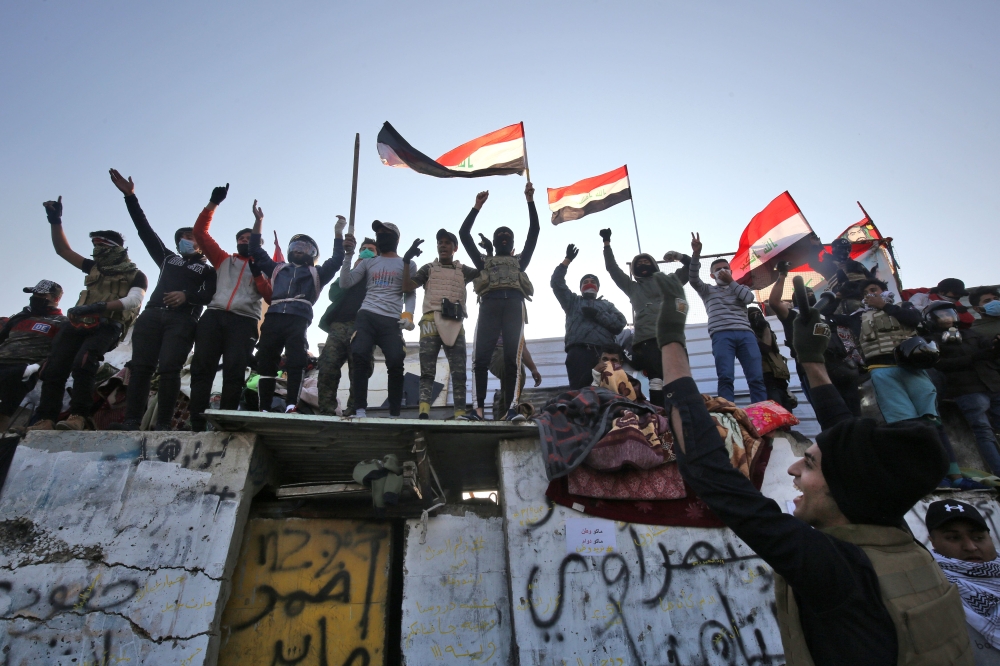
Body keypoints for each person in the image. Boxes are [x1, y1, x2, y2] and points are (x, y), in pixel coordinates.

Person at [654, 271, 971, 665]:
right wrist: (812, 362)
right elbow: (850, 445)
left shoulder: (838, 571)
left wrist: (669, 333)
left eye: (809, 463)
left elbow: (710, 471)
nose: (793, 472)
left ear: (844, 486)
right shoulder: (901, 539)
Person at [107, 169, 218, 430]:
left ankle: (163, 424)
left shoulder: (208, 269)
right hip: (151, 316)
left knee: (169, 369)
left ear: (200, 243)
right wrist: (130, 197)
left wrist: (187, 296)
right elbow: (144, 230)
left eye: (190, 237)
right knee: (141, 368)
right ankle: (132, 421)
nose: (185, 240)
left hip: (182, 321)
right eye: (181, 237)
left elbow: (210, 296)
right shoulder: (168, 259)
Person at [30, 197, 148, 431]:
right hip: (76, 323)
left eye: (101, 247)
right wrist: (55, 221)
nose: (96, 252)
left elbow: (134, 300)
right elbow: (63, 250)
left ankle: (79, 415)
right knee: (54, 369)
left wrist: (97, 307)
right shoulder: (93, 267)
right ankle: (46, 418)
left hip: (107, 325)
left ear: (114, 249)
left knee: (84, 363)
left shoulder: (136, 274)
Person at [247, 204, 345, 413]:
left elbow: (337, 260)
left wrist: (338, 232)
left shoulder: (317, 273)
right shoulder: (277, 268)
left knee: (297, 359)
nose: (300, 249)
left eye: (305, 247)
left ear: (312, 254)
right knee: (266, 360)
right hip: (273, 317)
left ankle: (292, 404)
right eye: (297, 245)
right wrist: (259, 221)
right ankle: (263, 406)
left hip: (298, 319)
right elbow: (255, 250)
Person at [187, 186, 267, 431]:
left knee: (234, 372)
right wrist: (213, 203)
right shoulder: (224, 259)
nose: (244, 242)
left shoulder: (266, 268)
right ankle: (197, 424)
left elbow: (271, 297)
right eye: (241, 239)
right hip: (214, 316)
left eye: (249, 239)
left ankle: (228, 423)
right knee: (202, 369)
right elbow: (200, 233)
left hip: (244, 322)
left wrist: (259, 222)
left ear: (256, 243)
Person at [459, 183, 539, 421]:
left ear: (512, 244)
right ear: (494, 242)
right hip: (490, 306)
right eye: (499, 235)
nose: (504, 237)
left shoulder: (520, 261)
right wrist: (476, 207)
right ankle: (478, 410)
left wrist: (530, 201)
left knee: (512, 359)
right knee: (480, 358)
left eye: (508, 236)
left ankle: (512, 408)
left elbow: (534, 231)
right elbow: (464, 234)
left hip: (513, 306)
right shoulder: (484, 261)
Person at [601, 227, 691, 406]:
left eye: (646, 261)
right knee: (656, 379)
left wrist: (680, 256)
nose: (643, 264)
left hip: (672, 336)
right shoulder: (632, 287)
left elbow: (691, 267)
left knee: (680, 377)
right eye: (639, 262)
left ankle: (684, 412)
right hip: (647, 339)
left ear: (654, 265)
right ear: (634, 268)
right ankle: (659, 414)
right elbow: (612, 268)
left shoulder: (670, 280)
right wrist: (606, 243)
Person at [339, 221, 417, 418]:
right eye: (378, 232)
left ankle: (394, 414)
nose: (381, 235)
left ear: (396, 238)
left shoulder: (407, 263)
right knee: (360, 356)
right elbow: (345, 282)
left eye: (385, 232)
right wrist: (348, 256)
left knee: (396, 361)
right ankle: (359, 410)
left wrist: (408, 315)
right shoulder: (369, 261)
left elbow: (410, 292)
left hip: (391, 319)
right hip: (367, 315)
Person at [401, 229, 478, 420]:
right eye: (440, 242)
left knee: (459, 371)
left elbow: (483, 270)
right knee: (427, 370)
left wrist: (487, 253)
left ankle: (460, 413)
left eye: (447, 242)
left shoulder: (464, 270)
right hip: (430, 321)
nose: (442, 245)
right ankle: (424, 411)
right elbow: (407, 287)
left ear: (455, 248)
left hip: (455, 322)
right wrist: (406, 261)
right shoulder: (428, 268)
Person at [688, 232, 768, 403]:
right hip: (721, 335)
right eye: (718, 270)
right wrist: (696, 254)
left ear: (731, 272)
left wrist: (732, 282)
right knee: (725, 377)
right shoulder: (708, 290)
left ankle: (761, 417)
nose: (722, 271)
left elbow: (749, 299)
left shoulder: (739, 288)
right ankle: (728, 416)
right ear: (711, 276)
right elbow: (693, 279)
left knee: (756, 378)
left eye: (726, 269)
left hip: (746, 334)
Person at [922, 302, 1000, 475]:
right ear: (932, 319)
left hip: (993, 384)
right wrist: (975, 357)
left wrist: (996, 344)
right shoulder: (932, 341)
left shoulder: (970, 333)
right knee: (983, 431)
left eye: (949, 313)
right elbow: (940, 364)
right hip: (966, 389)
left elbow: (990, 349)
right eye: (941, 315)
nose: (947, 317)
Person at [926, 500, 1000, 664]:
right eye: (953, 538)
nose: (970, 546)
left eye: (978, 537)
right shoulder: (930, 588)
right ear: (933, 542)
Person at [316, 237, 379, 416]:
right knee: (328, 367)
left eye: (371, 250)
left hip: (363, 327)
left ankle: (354, 410)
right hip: (339, 326)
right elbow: (333, 293)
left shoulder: (379, 275)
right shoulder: (349, 273)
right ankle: (326, 411)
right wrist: (353, 269)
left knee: (359, 370)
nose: (366, 251)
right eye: (363, 248)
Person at [551, 243, 627, 389]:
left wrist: (598, 315)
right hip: (579, 353)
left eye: (593, 282)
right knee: (580, 391)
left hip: (604, 353)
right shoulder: (573, 302)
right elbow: (556, 283)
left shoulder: (607, 305)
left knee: (609, 390)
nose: (589, 283)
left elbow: (619, 324)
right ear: (580, 288)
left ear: (598, 288)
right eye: (585, 282)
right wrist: (566, 260)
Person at [0, 281, 67, 431]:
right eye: (34, 294)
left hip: (23, 368)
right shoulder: (20, 317)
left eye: (42, 295)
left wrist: (36, 367)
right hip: (2, 359)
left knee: (2, 411)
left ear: (55, 299)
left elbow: (60, 351)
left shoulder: (61, 322)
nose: (36, 297)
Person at [748, 306, 796, 411]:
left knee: (787, 415)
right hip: (767, 381)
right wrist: (765, 328)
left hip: (780, 381)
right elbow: (765, 347)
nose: (757, 317)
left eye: (758, 314)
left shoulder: (768, 332)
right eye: (753, 315)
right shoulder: (750, 335)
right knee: (777, 413)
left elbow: (773, 350)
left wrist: (787, 390)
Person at [807, 237, 875, 295]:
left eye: (847, 249)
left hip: (865, 296)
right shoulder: (828, 266)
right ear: (835, 250)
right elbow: (813, 263)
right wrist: (815, 246)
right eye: (842, 249)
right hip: (844, 297)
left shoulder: (857, 264)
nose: (845, 251)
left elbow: (873, 281)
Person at [904, 278, 976, 329]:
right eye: (955, 293)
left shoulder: (958, 306)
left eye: (961, 294)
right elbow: (912, 309)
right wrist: (945, 310)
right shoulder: (921, 297)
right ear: (942, 291)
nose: (958, 296)